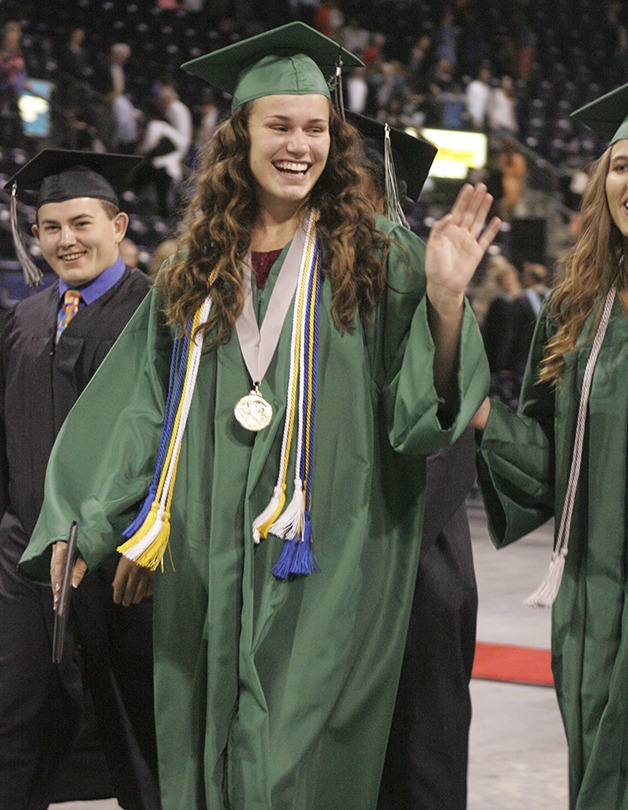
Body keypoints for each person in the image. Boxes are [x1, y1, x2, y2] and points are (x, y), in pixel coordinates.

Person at [20, 23, 499, 810]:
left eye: (316, 128)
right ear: (240, 135)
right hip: (207, 550)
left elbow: (425, 417)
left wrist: (446, 306)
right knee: (209, 747)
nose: (299, 144)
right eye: (280, 125)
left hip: (330, 553)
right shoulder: (190, 265)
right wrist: (85, 523)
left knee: (288, 763)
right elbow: (139, 405)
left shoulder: (379, 255)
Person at [471, 83, 628, 809]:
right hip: (592, 597)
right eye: (622, 165)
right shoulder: (577, 305)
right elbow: (544, 453)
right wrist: (480, 418)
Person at [0, 150, 160, 810]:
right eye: (50, 228)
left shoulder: (158, 312)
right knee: (16, 717)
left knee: (138, 729)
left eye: (82, 223)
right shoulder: (27, 319)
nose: (67, 240)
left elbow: (170, 440)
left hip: (122, 560)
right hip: (27, 557)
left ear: (118, 224)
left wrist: (149, 537)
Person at [349, 112, 479, 810]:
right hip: (324, 570)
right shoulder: (308, 292)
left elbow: (443, 454)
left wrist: (367, 557)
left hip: (413, 572)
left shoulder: (431, 291)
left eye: (352, 186)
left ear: (386, 201)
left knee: (416, 763)